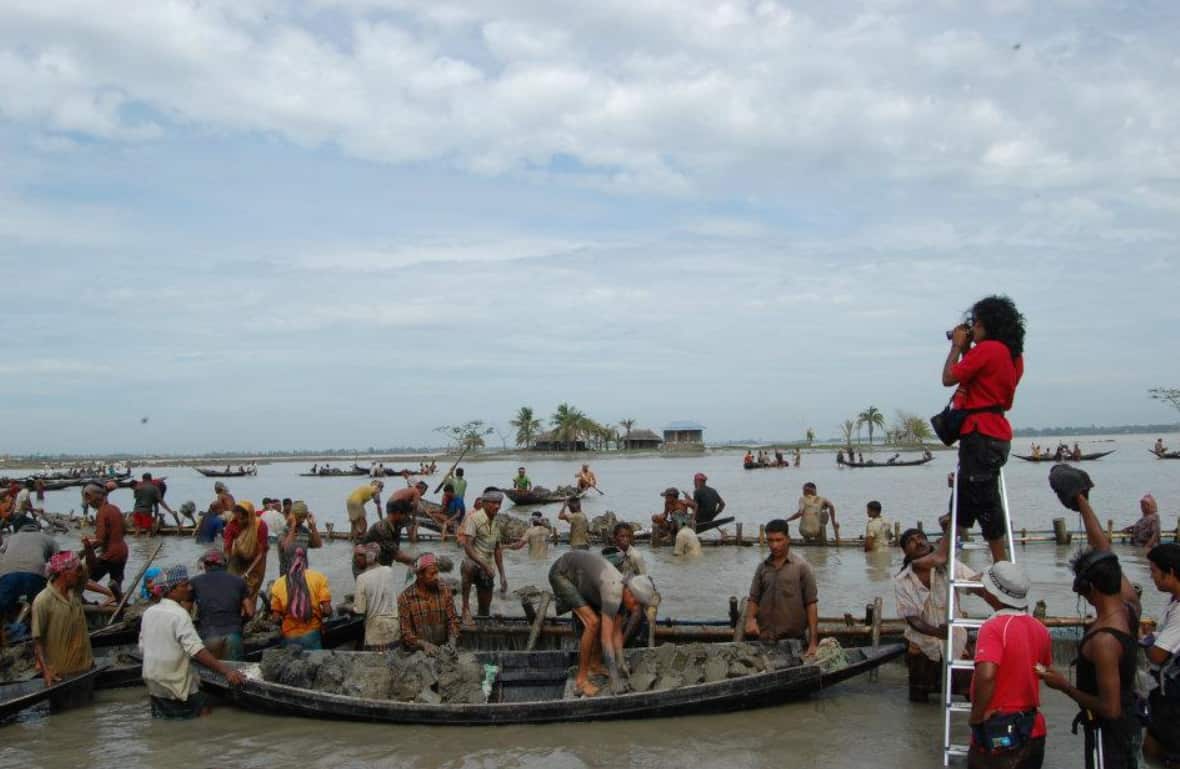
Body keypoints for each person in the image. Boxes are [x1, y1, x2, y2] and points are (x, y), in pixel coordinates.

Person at [1037, 547, 1141, 769]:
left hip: (1108, 738)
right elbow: (1107, 552)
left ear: (1090, 588)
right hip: (1130, 724)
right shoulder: (1130, 611)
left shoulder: (1104, 642)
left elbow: (1111, 709)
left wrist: (1065, 686)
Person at [942, 295, 1025, 563]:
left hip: (980, 434)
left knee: (986, 499)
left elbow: (948, 377)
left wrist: (956, 347)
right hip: (995, 433)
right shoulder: (1011, 355)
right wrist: (969, 349)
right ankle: (944, 550)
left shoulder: (989, 349)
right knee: (966, 490)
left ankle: (1000, 561)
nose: (973, 329)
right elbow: (980, 378)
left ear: (988, 325)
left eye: (976, 324)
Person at [967, 561, 1050, 769]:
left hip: (998, 727)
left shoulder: (993, 627)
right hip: (1033, 728)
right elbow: (1042, 670)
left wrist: (976, 716)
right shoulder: (1040, 629)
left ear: (992, 594)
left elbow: (986, 675)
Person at [547, 550, 660, 696]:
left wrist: (620, 662)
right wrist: (614, 678)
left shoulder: (624, 591)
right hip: (562, 574)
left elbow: (616, 632)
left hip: (582, 576)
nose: (635, 609)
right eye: (637, 604)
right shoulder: (613, 592)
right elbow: (606, 639)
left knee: (602, 623)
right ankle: (581, 681)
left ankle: (594, 666)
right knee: (593, 623)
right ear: (630, 594)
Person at [139, 565, 245, 718]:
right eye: (184, 585)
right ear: (172, 590)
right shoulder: (179, 614)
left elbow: (143, 647)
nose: (189, 588)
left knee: (164, 717)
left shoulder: (149, 612)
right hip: (174, 681)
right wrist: (227, 671)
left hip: (152, 678)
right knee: (204, 710)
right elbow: (196, 650)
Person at [894, 520, 981, 703]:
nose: (918, 542)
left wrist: (991, 575)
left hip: (955, 638)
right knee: (918, 695)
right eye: (911, 541)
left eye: (921, 538)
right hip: (922, 642)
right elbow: (912, 619)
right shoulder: (902, 580)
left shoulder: (950, 566)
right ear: (905, 551)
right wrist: (938, 633)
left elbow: (973, 585)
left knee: (970, 692)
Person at [744, 519, 818, 657]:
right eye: (770, 540)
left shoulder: (802, 568)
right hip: (764, 639)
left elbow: (811, 604)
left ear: (788, 539)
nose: (774, 545)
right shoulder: (762, 568)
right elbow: (754, 598)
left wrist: (813, 643)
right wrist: (749, 620)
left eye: (779, 540)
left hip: (793, 640)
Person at [31, 551, 94, 707]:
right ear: (65, 573)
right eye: (76, 570)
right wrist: (46, 671)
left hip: (85, 668)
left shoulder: (75, 592)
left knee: (88, 714)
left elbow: (91, 565)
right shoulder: (43, 601)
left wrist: (88, 548)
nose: (79, 574)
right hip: (60, 674)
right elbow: (37, 640)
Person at [1143, 543, 1180, 764]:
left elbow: (1157, 655)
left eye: (1154, 571)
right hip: (1164, 691)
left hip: (1174, 696)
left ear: (1171, 572)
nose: (1152, 577)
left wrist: (1146, 642)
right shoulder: (1173, 600)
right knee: (1151, 748)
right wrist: (1153, 637)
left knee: (1171, 754)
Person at [189, 549, 251, 661]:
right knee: (234, 670)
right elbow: (250, 612)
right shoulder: (239, 581)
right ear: (225, 565)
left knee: (212, 669)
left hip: (209, 636)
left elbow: (185, 612)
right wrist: (241, 623)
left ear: (205, 566)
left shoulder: (195, 582)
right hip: (233, 636)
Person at [459, 489, 507, 625]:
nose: (497, 506)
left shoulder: (497, 521)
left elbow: (497, 549)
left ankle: (482, 623)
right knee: (468, 566)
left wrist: (502, 575)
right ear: (484, 503)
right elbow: (468, 546)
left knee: (484, 611)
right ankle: (465, 608)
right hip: (475, 563)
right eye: (493, 503)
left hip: (487, 569)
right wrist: (484, 565)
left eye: (499, 503)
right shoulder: (473, 518)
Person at [398, 552, 461, 653]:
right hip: (418, 652)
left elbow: (453, 621)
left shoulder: (445, 591)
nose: (437, 577)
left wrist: (452, 642)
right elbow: (405, 633)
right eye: (432, 574)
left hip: (443, 648)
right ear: (420, 575)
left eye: (437, 573)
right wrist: (423, 645)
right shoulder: (406, 598)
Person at [270, 547, 332, 650]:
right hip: (312, 635)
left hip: (289, 637)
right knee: (315, 660)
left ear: (287, 562)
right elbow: (327, 610)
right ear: (305, 559)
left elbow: (275, 619)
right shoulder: (318, 577)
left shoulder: (278, 584)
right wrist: (317, 614)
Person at [0, 521, 58, 625]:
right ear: (38, 530)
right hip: (35, 573)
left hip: (8, 573)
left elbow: (2, 551)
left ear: (21, 530)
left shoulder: (11, 537)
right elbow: (58, 557)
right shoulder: (47, 538)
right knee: (36, 602)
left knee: (4, 602)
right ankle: (29, 621)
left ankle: (7, 622)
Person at [81, 483, 127, 601]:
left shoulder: (102, 512)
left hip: (110, 554)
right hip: (122, 551)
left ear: (90, 496)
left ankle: (110, 595)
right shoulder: (115, 508)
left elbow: (100, 540)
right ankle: (116, 601)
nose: (89, 504)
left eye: (88, 500)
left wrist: (84, 548)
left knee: (83, 580)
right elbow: (124, 530)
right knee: (116, 583)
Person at [352, 543, 399, 651]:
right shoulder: (389, 571)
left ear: (368, 557)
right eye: (355, 556)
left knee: (374, 660)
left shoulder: (361, 578)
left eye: (360, 555)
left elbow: (359, 610)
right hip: (394, 628)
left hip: (375, 632)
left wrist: (346, 607)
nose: (356, 559)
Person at [359, 497, 415, 579]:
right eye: (407, 515)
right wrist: (417, 561)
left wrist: (413, 564)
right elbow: (397, 555)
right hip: (364, 566)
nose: (408, 518)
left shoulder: (397, 525)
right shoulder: (382, 528)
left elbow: (395, 552)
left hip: (381, 563)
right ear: (398, 513)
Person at [223, 501, 267, 601]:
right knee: (233, 590)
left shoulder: (260, 525)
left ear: (250, 516)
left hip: (257, 560)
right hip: (238, 557)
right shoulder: (232, 525)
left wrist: (247, 573)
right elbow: (227, 549)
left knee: (252, 592)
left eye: (244, 519)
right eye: (238, 518)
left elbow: (261, 553)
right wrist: (226, 567)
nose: (241, 521)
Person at [277, 500, 323, 577]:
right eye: (300, 517)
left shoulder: (304, 531)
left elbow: (318, 545)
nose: (302, 520)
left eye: (304, 517)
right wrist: (292, 526)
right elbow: (286, 548)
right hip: (286, 576)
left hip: (302, 576)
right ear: (293, 516)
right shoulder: (283, 531)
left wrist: (313, 527)